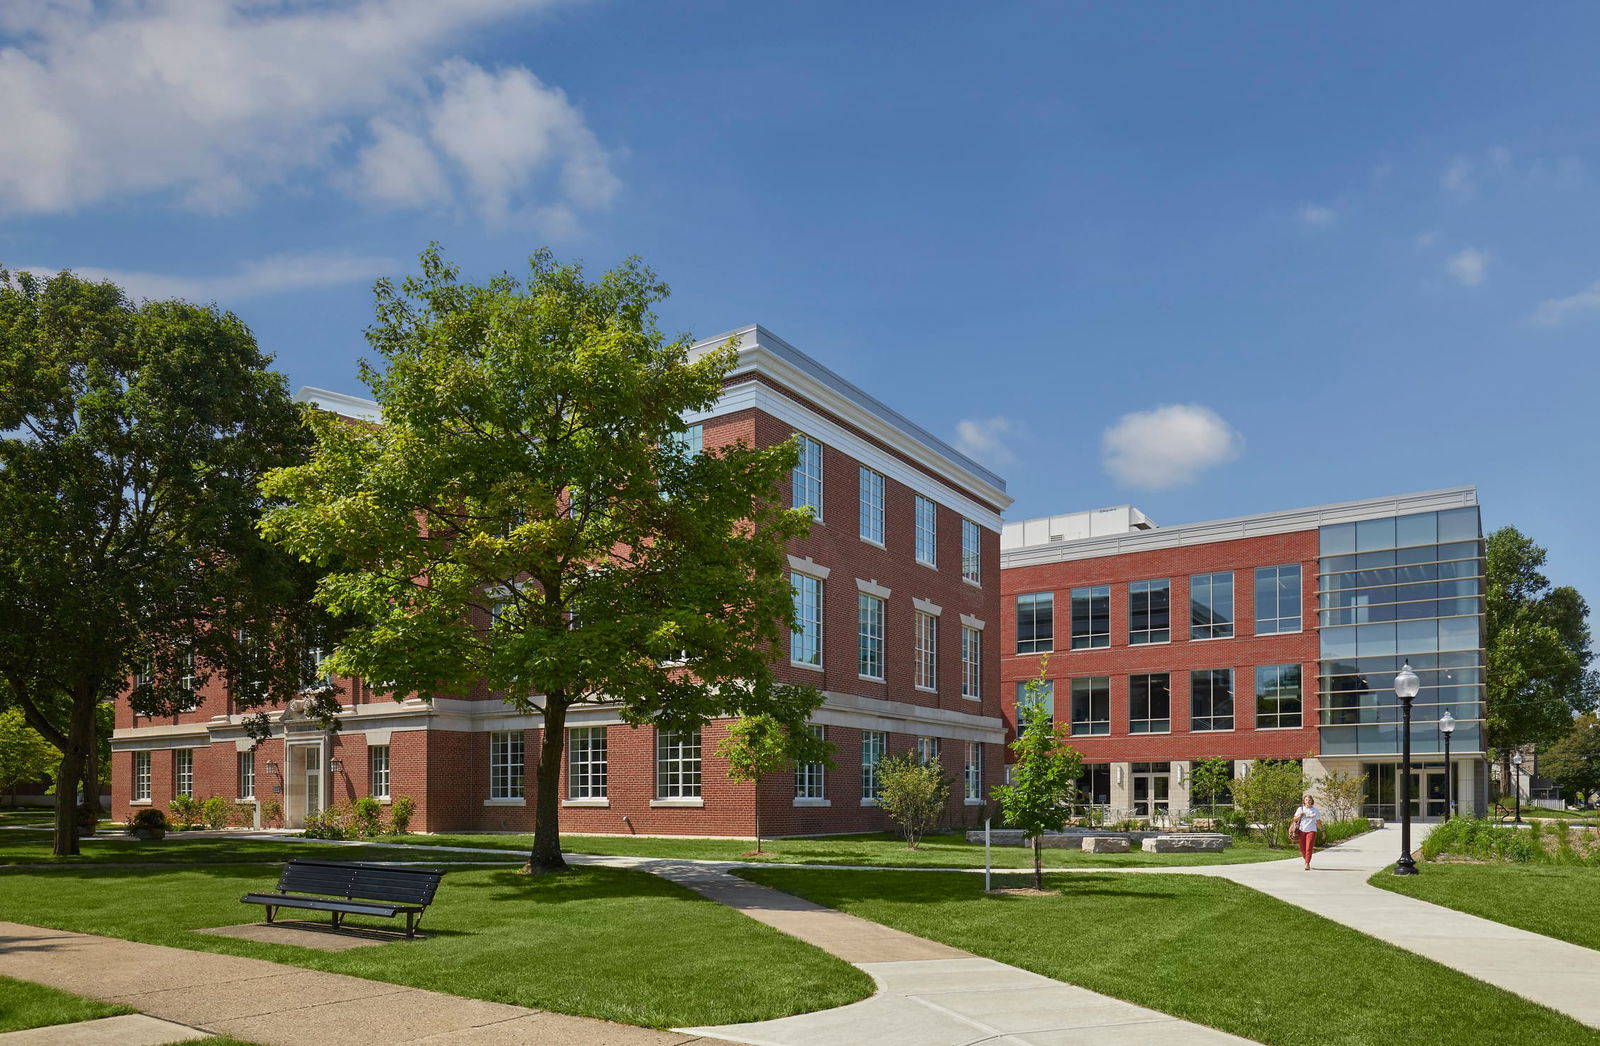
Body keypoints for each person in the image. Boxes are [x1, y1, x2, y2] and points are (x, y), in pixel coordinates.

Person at [1291, 793, 1323, 871]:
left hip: (1312, 830)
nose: (1308, 801)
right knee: (1302, 849)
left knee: (1309, 848)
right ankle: (1306, 860)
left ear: (1312, 801)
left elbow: (1318, 822)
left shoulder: (1315, 810)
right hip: (1301, 830)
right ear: (1304, 801)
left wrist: (1322, 831)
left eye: (1309, 800)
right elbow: (1294, 819)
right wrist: (1300, 815)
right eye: (1306, 800)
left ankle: (1307, 863)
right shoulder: (1300, 809)